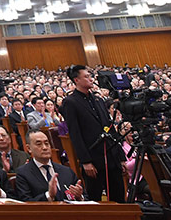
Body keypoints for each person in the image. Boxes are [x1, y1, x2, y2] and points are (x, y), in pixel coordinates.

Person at [62, 65, 125, 202]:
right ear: (76, 80)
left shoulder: (98, 100)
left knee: (119, 197)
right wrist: (86, 161)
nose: (91, 79)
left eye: (90, 76)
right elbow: (75, 134)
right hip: (93, 158)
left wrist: (121, 156)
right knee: (95, 198)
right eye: (86, 76)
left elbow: (110, 127)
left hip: (111, 156)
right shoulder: (70, 102)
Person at [15, 131, 85, 201]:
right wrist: (49, 195)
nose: (45, 147)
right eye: (39, 144)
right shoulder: (23, 174)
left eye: (46, 143)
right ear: (29, 148)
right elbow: (26, 203)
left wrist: (79, 197)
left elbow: (85, 197)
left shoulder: (67, 171)